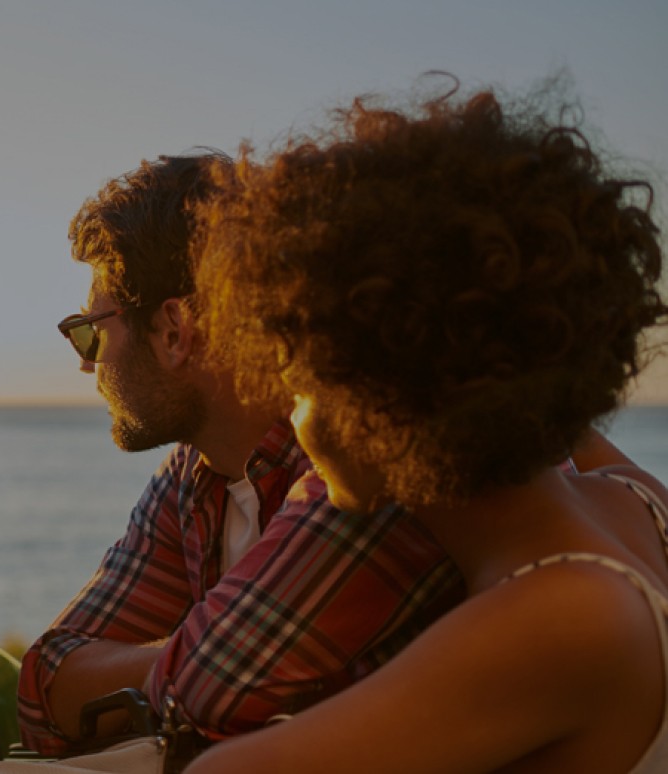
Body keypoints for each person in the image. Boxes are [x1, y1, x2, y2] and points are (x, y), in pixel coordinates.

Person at [185, 80, 668, 773]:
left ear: (377, 391)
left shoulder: (563, 617)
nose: (293, 419)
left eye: (298, 385)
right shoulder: (636, 497)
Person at [18, 155, 465, 754]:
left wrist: (179, 660)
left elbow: (215, 683)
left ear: (175, 330)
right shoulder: (193, 471)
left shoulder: (357, 465)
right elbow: (46, 687)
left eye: (90, 330)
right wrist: (189, 648)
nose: (85, 361)